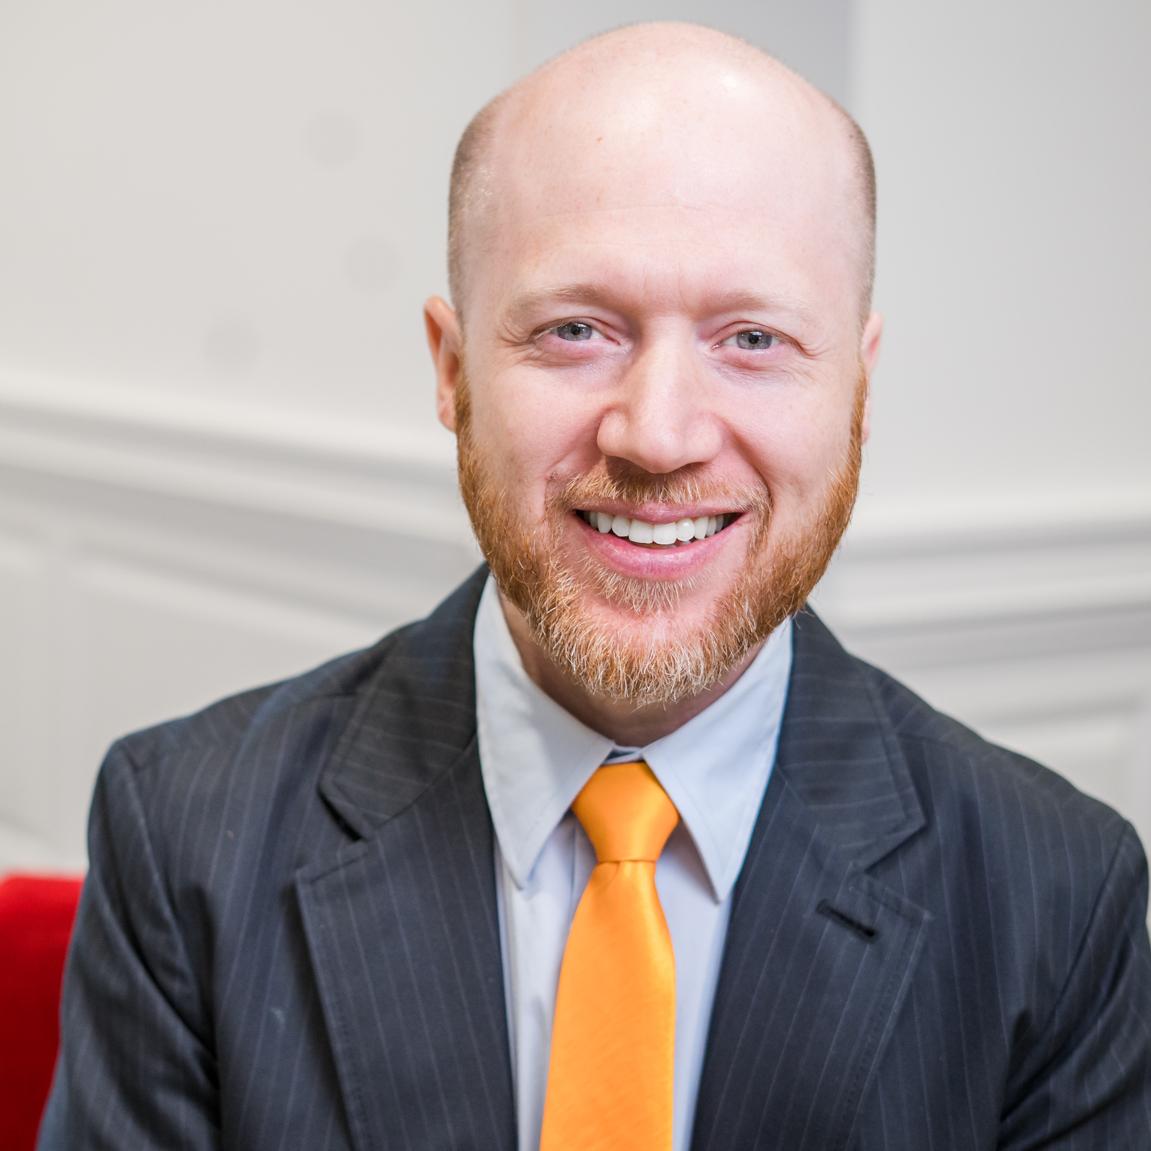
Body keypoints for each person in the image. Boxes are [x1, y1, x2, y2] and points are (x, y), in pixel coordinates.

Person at [40, 22, 1151, 1151]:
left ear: (856, 391)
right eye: (575, 329)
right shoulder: (183, 831)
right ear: (452, 369)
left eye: (752, 338)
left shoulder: (1058, 898)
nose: (658, 435)